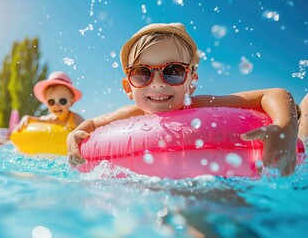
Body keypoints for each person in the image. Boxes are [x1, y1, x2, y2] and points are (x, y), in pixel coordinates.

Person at [67, 23, 299, 176]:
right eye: (142, 73)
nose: (157, 83)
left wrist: (284, 127)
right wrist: (72, 136)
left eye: (173, 71)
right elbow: (92, 125)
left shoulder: (202, 104)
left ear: (192, 80)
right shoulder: (132, 114)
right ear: (129, 86)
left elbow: (274, 93)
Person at [16, 71, 84, 130]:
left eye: (62, 101)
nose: (56, 105)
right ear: (46, 103)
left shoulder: (76, 119)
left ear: (71, 102)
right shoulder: (51, 119)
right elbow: (38, 120)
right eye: (51, 102)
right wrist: (26, 118)